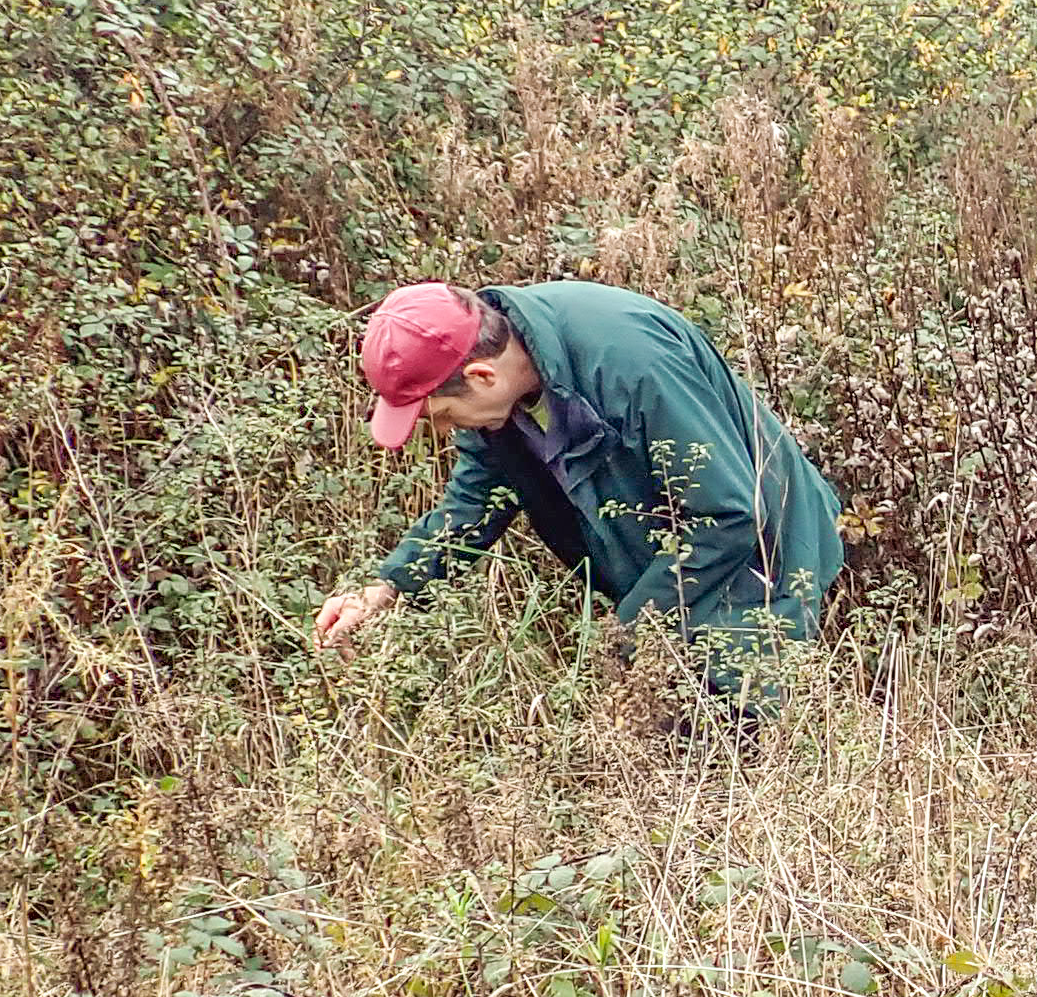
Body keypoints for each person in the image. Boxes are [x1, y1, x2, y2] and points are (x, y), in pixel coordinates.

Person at [312, 278, 847, 705]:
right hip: (673, 562)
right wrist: (386, 588)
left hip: (761, 554)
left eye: (443, 415)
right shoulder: (500, 394)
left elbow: (729, 513)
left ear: (479, 376)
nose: (448, 430)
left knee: (737, 736)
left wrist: (632, 627)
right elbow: (474, 505)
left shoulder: (629, 362)